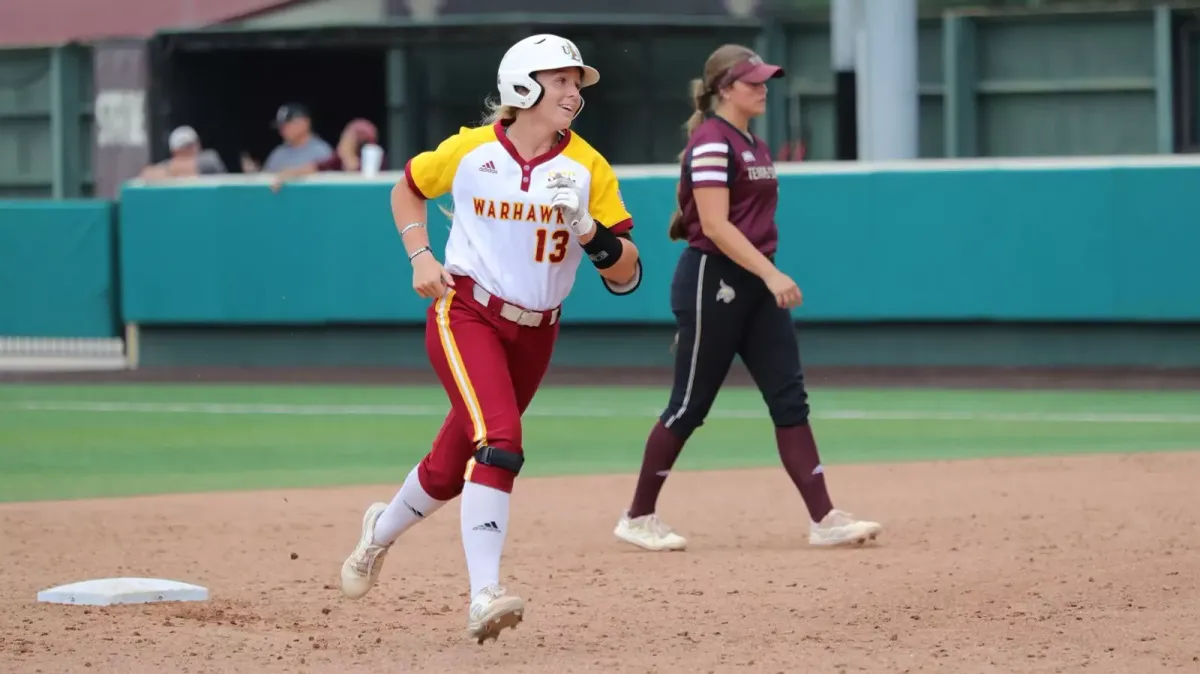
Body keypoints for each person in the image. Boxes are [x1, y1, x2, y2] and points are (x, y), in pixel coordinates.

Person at [337, 34, 642, 644]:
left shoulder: (588, 167)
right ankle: (484, 595)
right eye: (560, 80)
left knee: (451, 468)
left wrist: (587, 230)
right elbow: (407, 188)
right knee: (500, 443)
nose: (573, 93)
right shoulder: (472, 150)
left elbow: (627, 276)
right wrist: (420, 254)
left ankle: (377, 534)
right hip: (466, 314)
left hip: (537, 333)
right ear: (523, 85)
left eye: (576, 83)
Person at [612, 44, 882, 553]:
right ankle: (638, 516)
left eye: (764, 80)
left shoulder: (751, 143)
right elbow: (713, 225)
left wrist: (765, 277)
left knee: (789, 398)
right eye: (752, 81)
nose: (762, 88)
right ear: (723, 89)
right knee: (689, 406)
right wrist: (772, 274)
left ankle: (824, 518)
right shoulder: (714, 143)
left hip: (751, 285)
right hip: (714, 279)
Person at [270, 118, 385, 191]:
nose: (343, 140)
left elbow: (362, 177)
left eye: (349, 137)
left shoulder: (376, 155)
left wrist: (346, 153)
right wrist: (286, 175)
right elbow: (315, 167)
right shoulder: (337, 159)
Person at [241, 102, 334, 173]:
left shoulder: (321, 151)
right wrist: (254, 175)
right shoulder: (279, 153)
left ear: (305, 123)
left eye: (287, 126)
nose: (282, 131)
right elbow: (268, 181)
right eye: (281, 127)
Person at [138, 125, 226, 180]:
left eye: (191, 145)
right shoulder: (165, 167)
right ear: (174, 151)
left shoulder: (209, 160)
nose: (192, 149)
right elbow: (146, 174)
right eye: (186, 146)